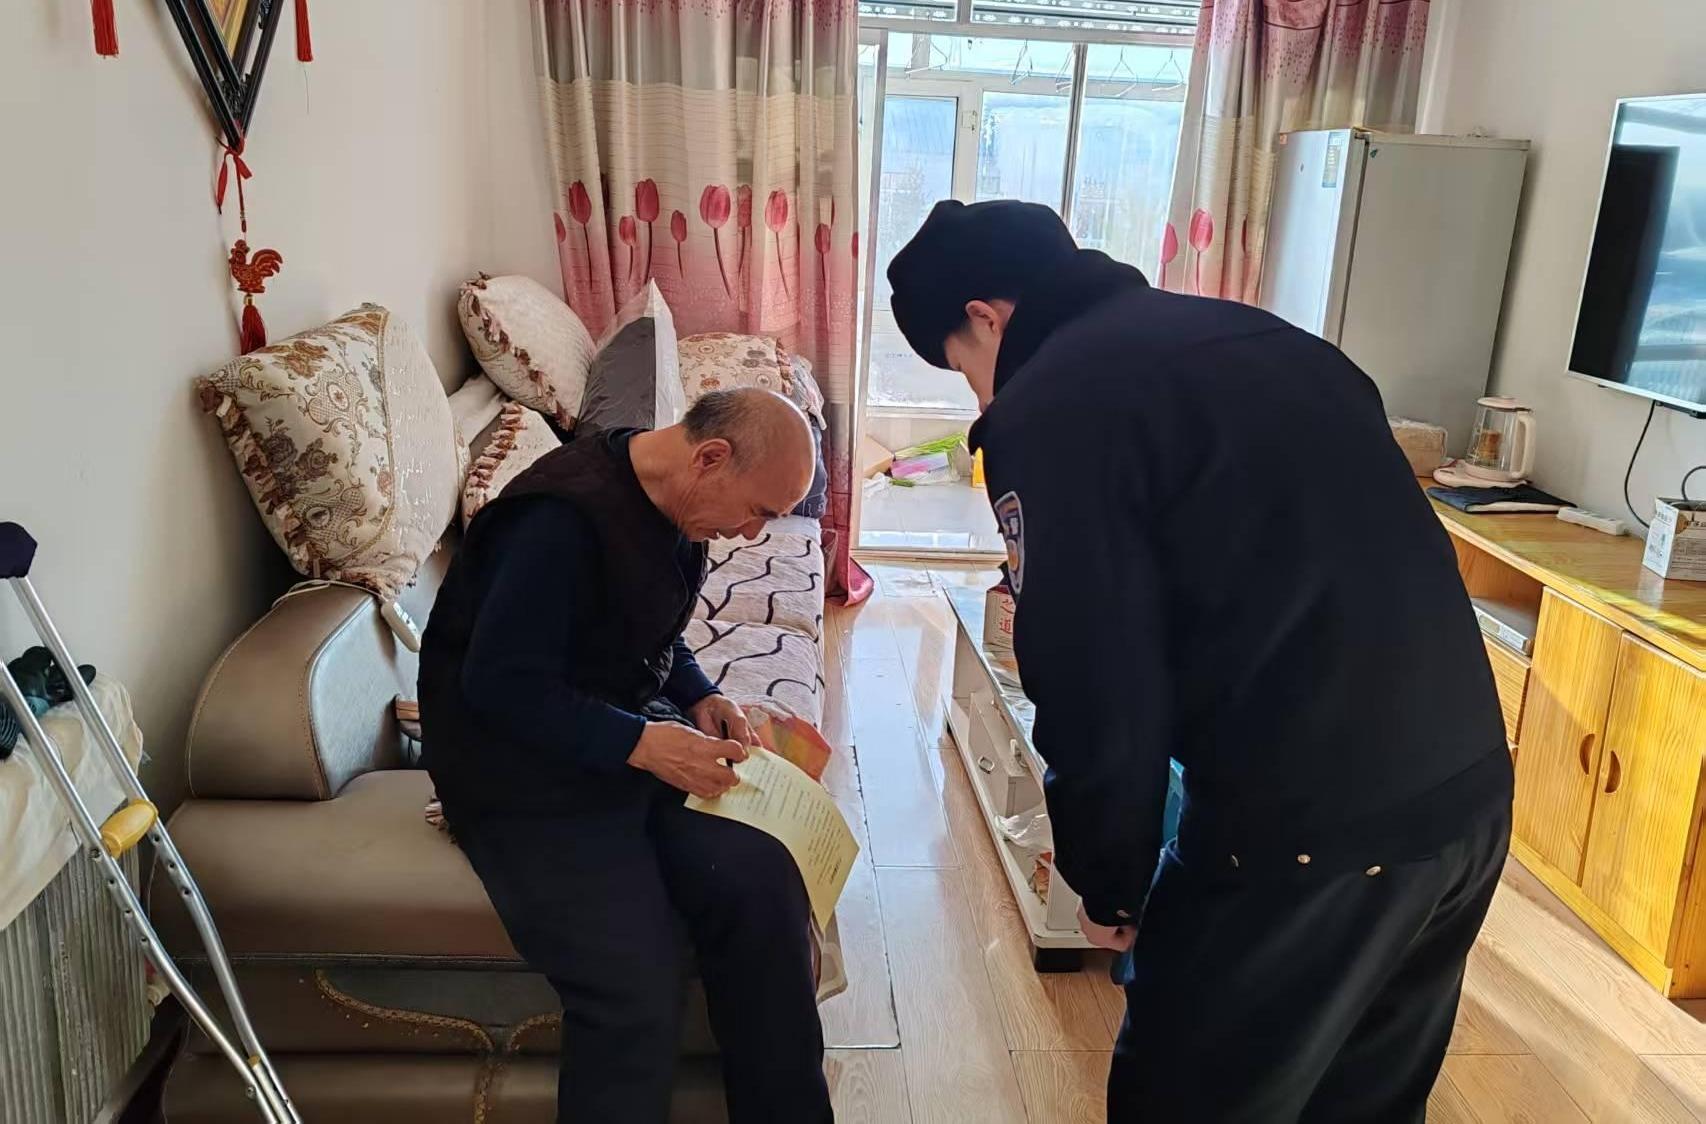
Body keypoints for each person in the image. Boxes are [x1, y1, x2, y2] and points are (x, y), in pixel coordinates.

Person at [886, 200, 1514, 1122]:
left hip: (1303, 831)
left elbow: (1093, 675)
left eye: (962, 367)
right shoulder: (1268, 340)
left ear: (985, 316)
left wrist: (1106, 878)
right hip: (1467, 797)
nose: (980, 396)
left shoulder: (1055, 405)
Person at [418, 388, 829, 1124]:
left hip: (620, 735)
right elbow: (501, 686)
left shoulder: (677, 501)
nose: (750, 534)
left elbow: (647, 629)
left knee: (764, 879)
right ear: (711, 458)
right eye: (758, 512)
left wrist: (700, 694)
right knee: (634, 985)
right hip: (517, 771)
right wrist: (642, 744)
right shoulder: (557, 522)